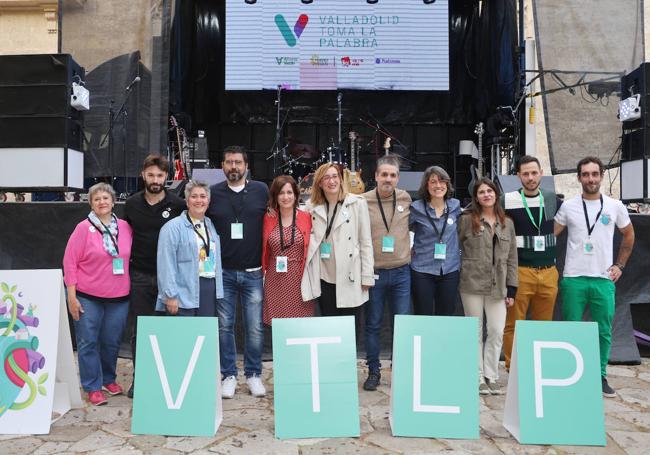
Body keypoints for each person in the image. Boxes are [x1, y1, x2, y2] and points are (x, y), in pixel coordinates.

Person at [554, 156, 634, 397]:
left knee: (603, 331)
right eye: (586, 174)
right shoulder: (568, 206)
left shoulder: (615, 206)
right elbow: (550, 236)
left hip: (603, 279)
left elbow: (629, 236)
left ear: (600, 176)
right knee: (571, 330)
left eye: (595, 174)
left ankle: (599, 376)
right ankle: (570, 375)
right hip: (574, 278)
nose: (591, 179)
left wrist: (619, 265)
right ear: (578, 178)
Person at [207, 146, 268, 399]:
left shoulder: (261, 190)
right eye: (229, 162)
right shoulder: (212, 194)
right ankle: (229, 374)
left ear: (246, 166)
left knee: (254, 327)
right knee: (225, 327)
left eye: (238, 163)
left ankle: (253, 374)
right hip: (224, 273)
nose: (234, 167)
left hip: (254, 272)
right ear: (222, 166)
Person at [63, 183, 133, 406]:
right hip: (87, 295)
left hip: (119, 296)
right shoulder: (83, 228)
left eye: (106, 198)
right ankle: (92, 385)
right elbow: (70, 262)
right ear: (91, 204)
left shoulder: (125, 227)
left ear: (113, 201)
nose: (102, 202)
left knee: (111, 342)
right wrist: (71, 295)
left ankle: (108, 379)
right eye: (97, 199)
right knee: (88, 342)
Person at [124, 154, 185, 397]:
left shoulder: (178, 205)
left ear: (166, 177)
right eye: (151, 175)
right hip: (140, 276)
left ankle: (168, 377)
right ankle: (141, 378)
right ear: (143, 175)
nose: (155, 179)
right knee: (140, 330)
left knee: (169, 331)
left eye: (160, 175)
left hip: (169, 279)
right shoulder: (131, 204)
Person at [501, 156, 562, 371]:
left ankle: (539, 368)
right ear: (518, 175)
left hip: (548, 272)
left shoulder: (551, 198)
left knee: (543, 326)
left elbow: (561, 222)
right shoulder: (506, 200)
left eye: (534, 173)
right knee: (513, 325)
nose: (530, 177)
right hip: (520, 272)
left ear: (541, 173)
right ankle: (512, 367)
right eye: (525, 173)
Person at [458, 177, 518, 395]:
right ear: (476, 197)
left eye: (489, 191)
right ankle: (477, 377)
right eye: (481, 192)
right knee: (474, 331)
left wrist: (512, 288)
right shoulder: (466, 220)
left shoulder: (507, 223)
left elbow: (512, 257)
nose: (486, 195)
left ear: (496, 195)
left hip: (498, 286)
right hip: (471, 283)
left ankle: (491, 375)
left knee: (496, 331)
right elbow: (456, 247)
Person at [361, 155, 412, 391]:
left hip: (402, 272)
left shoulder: (406, 198)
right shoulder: (362, 201)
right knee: (372, 325)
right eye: (384, 174)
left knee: (400, 325)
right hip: (375, 273)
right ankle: (373, 371)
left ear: (398, 178)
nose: (388, 179)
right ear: (376, 176)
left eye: (393, 175)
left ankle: (400, 370)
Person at [301, 163, 374, 317]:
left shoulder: (357, 203)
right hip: (324, 276)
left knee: (351, 329)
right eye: (326, 178)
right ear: (320, 183)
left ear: (341, 180)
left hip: (350, 275)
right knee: (330, 327)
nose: (331, 181)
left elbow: (366, 242)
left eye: (335, 176)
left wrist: (367, 275)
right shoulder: (311, 207)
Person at [156, 180, 224, 316]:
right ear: (187, 201)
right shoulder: (172, 228)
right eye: (194, 196)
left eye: (203, 196)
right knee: (183, 336)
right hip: (182, 292)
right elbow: (166, 264)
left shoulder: (209, 225)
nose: (199, 200)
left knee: (203, 335)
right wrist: (170, 295)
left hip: (208, 289)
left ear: (208, 201)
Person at [409, 166, 462, 316]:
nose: (438, 185)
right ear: (426, 185)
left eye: (441, 181)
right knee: (423, 314)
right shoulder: (416, 208)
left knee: (446, 315)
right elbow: (400, 229)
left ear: (447, 184)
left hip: (450, 269)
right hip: (422, 270)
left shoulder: (455, 206)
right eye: (433, 182)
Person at [262, 175, 314, 325]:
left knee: (300, 325)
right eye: (281, 193)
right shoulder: (268, 218)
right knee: (278, 325)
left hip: (300, 279)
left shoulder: (307, 217)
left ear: (296, 195)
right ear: (275, 196)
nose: (285, 197)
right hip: (275, 279)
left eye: (289, 192)